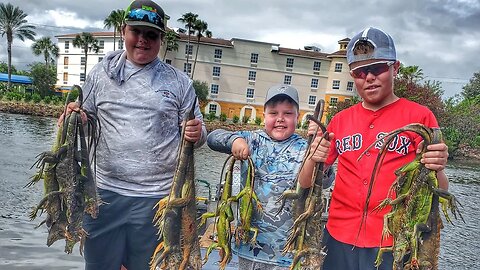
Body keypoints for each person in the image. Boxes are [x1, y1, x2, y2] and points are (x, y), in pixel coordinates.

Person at [58, 0, 207, 269]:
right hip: (103, 193)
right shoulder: (101, 74)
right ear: (123, 30)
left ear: (161, 39)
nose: (142, 40)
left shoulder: (179, 82)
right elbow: (86, 117)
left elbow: (199, 133)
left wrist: (197, 132)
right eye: (136, 31)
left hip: (157, 197)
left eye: (151, 34)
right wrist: (74, 115)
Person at [308, 27, 450, 270]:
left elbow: (440, 191)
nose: (369, 77)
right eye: (360, 72)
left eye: (378, 68)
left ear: (395, 68)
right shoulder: (340, 120)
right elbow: (308, 182)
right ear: (353, 75)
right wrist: (312, 157)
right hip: (339, 235)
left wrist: (437, 167)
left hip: (393, 241)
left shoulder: (420, 117)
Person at [207, 84, 331, 270]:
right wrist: (235, 141)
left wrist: (319, 153)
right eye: (273, 113)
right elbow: (213, 138)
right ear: (263, 116)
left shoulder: (305, 148)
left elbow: (325, 181)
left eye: (288, 113)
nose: (280, 119)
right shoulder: (251, 139)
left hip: (291, 254)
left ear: (299, 118)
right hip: (250, 248)